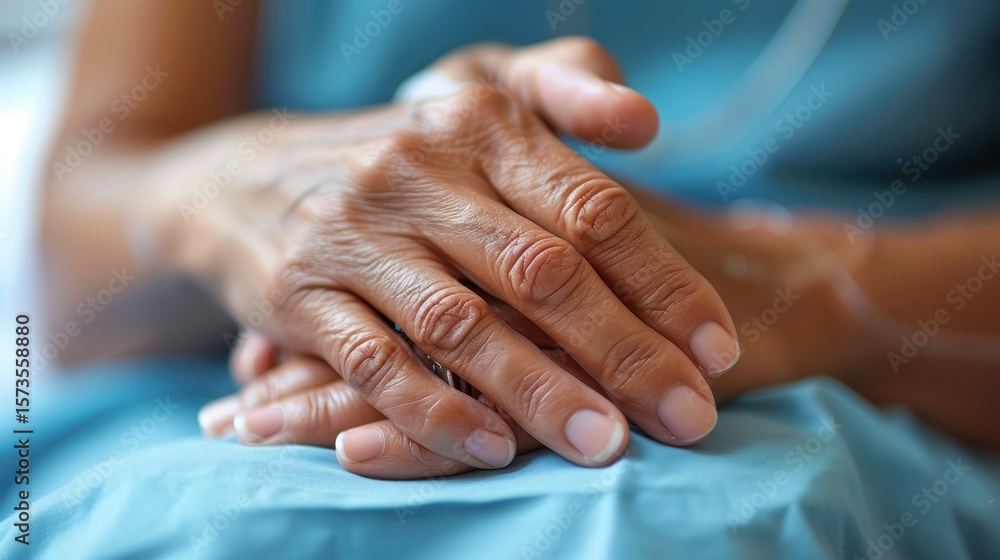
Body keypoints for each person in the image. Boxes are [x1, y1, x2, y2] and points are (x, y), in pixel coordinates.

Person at [43, 0, 1000, 484]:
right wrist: (247, 191)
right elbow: (70, 262)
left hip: (883, 391)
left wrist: (799, 292)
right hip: (245, 384)